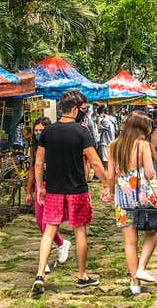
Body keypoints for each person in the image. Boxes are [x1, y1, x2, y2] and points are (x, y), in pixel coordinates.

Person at [31, 91, 108, 295]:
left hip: (54, 189)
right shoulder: (82, 132)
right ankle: (82, 275)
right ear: (75, 109)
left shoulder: (47, 132)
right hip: (77, 190)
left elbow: (38, 162)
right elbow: (95, 162)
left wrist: (40, 186)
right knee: (80, 231)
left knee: (49, 231)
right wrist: (107, 183)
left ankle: (40, 274)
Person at [106, 111, 157, 295]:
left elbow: (110, 176)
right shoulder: (143, 145)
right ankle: (141, 267)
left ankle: (135, 284)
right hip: (142, 197)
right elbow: (150, 173)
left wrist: (111, 192)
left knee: (130, 242)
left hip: (122, 200)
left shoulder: (113, 146)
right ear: (143, 128)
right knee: (152, 234)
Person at [25, 117, 72, 273]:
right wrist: (28, 190)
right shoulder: (35, 147)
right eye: (36, 130)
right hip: (40, 187)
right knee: (40, 222)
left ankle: (43, 261)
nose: (38, 133)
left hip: (53, 186)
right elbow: (33, 169)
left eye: (41, 130)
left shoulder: (57, 145)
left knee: (48, 223)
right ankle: (61, 243)